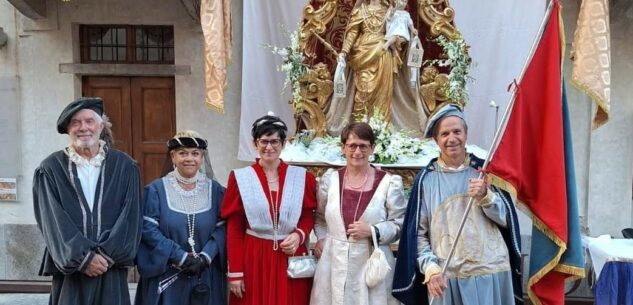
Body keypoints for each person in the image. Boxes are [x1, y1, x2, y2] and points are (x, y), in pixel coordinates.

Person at [392, 104, 523, 305]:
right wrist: (431, 268)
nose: (451, 139)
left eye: (456, 132)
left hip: (491, 271)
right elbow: (418, 233)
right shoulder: (426, 180)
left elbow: (508, 221)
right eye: (444, 134)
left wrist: (486, 197)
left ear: (466, 134)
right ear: (436, 140)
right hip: (446, 275)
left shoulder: (487, 171)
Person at [32, 97, 142, 305]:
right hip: (72, 275)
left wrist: (107, 255)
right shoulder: (50, 169)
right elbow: (52, 221)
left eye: (89, 121)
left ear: (101, 126)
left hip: (110, 269)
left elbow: (131, 216)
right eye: (75, 122)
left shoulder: (125, 166)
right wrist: (82, 258)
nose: (83, 128)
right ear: (68, 129)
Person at [220, 114, 317, 305]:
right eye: (264, 141)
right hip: (254, 257)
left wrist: (299, 235)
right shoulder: (241, 178)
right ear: (255, 143)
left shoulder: (302, 177)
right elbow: (234, 228)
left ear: (283, 143)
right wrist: (236, 272)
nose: (269, 147)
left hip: (290, 256)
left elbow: (308, 216)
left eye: (274, 141)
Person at [310, 122, 406, 305]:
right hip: (332, 263)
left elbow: (400, 223)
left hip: (369, 263)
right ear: (343, 148)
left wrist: (373, 231)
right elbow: (321, 217)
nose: (357, 151)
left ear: (372, 148)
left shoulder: (388, 183)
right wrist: (322, 238)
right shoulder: (330, 180)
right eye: (352, 145)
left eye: (363, 146)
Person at [134, 130, 227, 305]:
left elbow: (222, 228)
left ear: (202, 157)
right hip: (168, 274)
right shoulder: (155, 191)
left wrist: (205, 257)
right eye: (182, 153)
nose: (189, 158)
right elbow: (148, 230)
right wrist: (180, 257)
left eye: (195, 153)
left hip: (205, 274)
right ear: (173, 157)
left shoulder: (216, 191)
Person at [327, 0, 426, 136]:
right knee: (363, 92)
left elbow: (398, 30)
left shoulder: (390, 10)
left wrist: (403, 35)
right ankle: (359, 132)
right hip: (363, 55)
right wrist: (344, 52)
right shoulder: (361, 10)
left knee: (383, 95)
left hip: (383, 55)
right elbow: (352, 34)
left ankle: (380, 132)